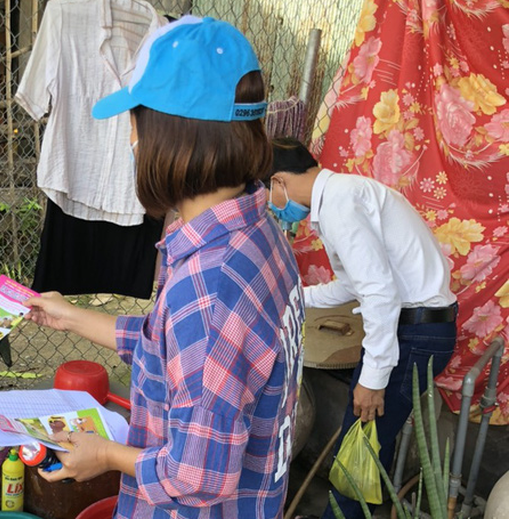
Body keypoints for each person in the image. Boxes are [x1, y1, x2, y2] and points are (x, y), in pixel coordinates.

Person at [23, 16, 305, 519]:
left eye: (134, 123)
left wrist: (105, 455)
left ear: (165, 138)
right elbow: (177, 350)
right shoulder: (256, 233)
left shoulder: (211, 288)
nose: (129, 140)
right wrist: (69, 315)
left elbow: (195, 476)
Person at [265, 137, 457, 519]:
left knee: (359, 455)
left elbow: (378, 292)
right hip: (418, 328)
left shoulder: (339, 204)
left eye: (266, 191)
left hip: (415, 333)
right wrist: (292, 297)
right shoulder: (342, 195)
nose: (271, 204)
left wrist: (373, 377)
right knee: (364, 452)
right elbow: (354, 285)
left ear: (279, 180)